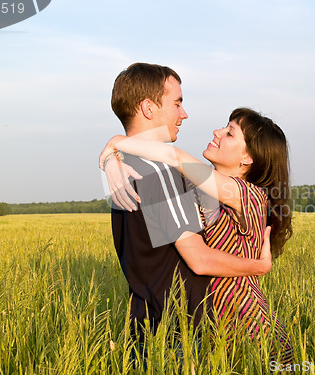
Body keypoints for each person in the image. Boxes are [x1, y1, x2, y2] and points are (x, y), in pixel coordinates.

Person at [101, 63, 274, 362]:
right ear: (148, 107)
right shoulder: (157, 172)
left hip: (146, 326)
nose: (184, 113)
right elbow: (199, 259)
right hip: (178, 334)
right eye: (178, 103)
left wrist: (113, 150)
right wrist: (259, 266)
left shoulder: (124, 169)